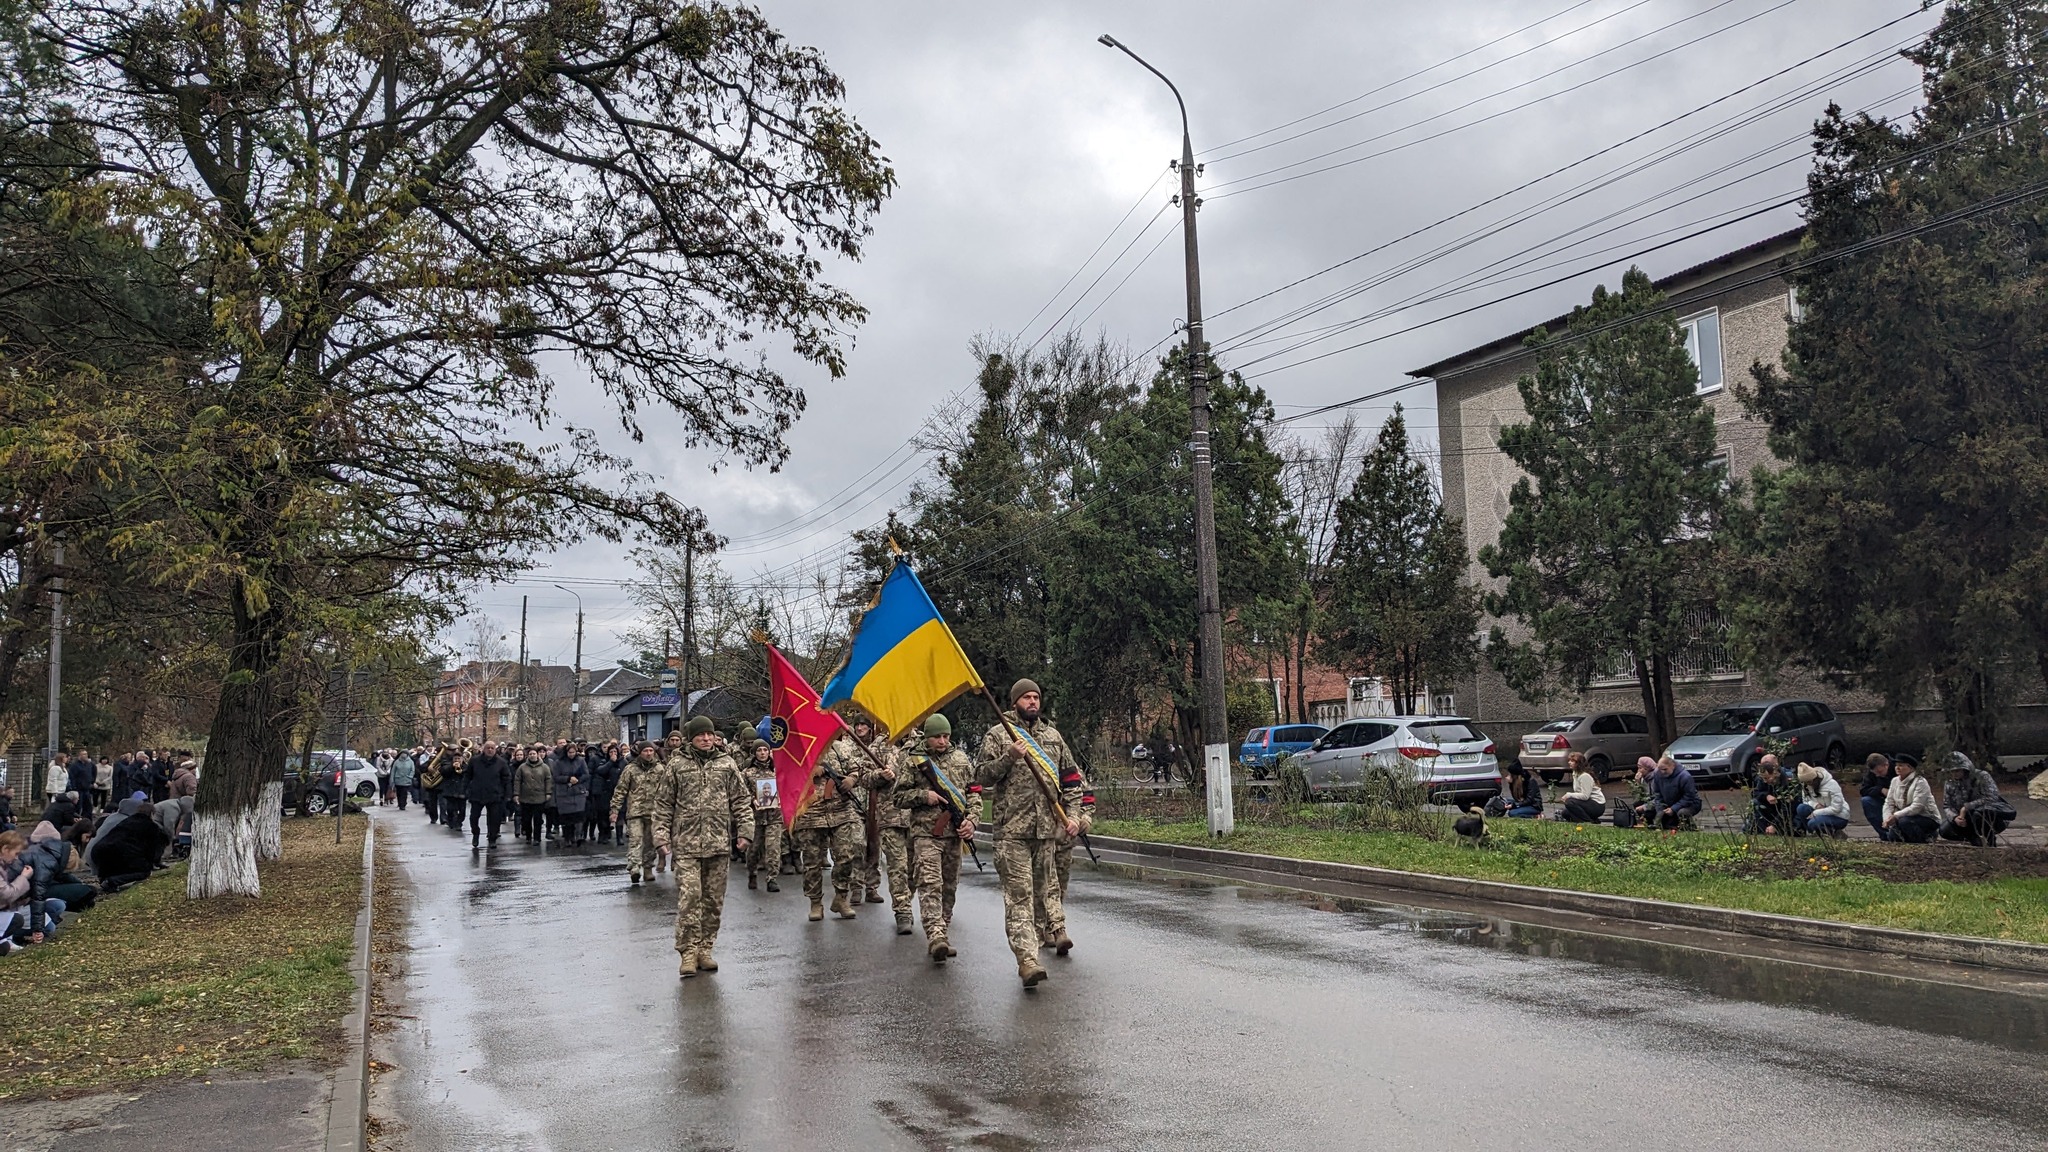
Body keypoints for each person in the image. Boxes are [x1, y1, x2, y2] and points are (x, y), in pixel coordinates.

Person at [976, 679, 1086, 987]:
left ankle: (1050, 933)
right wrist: (1009, 756)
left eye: (1036, 697)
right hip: (1012, 832)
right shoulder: (998, 735)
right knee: (1019, 896)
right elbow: (981, 777)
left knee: (1044, 892)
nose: (1033, 702)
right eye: (1027, 697)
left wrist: (1073, 816)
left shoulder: (1052, 737)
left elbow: (1072, 781)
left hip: (1046, 831)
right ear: (1015, 702)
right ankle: (1027, 960)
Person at [651, 716, 751, 979]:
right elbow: (662, 805)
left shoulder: (727, 764)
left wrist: (745, 832)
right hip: (686, 845)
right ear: (690, 738)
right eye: (700, 735)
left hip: (718, 845)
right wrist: (661, 837)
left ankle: (705, 949)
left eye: (709, 735)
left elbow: (741, 800)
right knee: (690, 897)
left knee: (713, 901)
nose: (706, 739)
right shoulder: (676, 765)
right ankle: (687, 952)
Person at [894, 712, 978, 962]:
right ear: (927, 737)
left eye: (946, 736)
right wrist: (923, 796)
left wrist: (972, 821)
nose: (942, 741)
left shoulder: (962, 759)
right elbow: (898, 797)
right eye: (937, 737)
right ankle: (935, 935)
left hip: (955, 834)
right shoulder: (913, 761)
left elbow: (973, 793)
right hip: (925, 834)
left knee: (949, 886)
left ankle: (944, 928)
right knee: (930, 884)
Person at [793, 719, 870, 923]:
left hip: (840, 812)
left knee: (847, 854)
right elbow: (787, 777)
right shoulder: (799, 749)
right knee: (812, 863)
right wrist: (810, 773)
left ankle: (841, 897)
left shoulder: (840, 748)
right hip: (811, 814)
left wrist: (851, 780)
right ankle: (815, 903)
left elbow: (857, 769)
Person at [850, 714, 913, 931]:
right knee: (897, 866)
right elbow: (865, 777)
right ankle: (903, 912)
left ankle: (911, 900)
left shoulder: (924, 742)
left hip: (920, 817)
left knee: (915, 868)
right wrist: (881, 775)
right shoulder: (880, 745)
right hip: (890, 815)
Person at [1939, 752, 2015, 847]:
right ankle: (1974, 839)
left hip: (1988, 816)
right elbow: (1947, 805)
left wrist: (1967, 807)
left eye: (1957, 771)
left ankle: (1990, 841)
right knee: (1944, 830)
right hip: (1964, 817)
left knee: (1978, 815)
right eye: (1952, 771)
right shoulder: (1950, 782)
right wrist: (1955, 817)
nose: (1954, 774)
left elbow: (1992, 797)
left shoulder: (1982, 776)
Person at [612, 741, 662, 884]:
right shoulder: (631, 769)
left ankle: (648, 869)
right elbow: (620, 790)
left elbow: (666, 791)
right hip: (635, 811)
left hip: (653, 811)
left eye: (651, 751)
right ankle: (634, 868)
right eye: (645, 751)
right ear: (640, 753)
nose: (648, 753)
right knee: (636, 840)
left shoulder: (659, 769)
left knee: (650, 842)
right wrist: (615, 809)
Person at [739, 736, 784, 893]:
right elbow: (741, 792)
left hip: (775, 816)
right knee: (754, 849)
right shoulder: (747, 773)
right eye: (759, 750)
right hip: (755, 817)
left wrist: (781, 799)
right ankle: (752, 873)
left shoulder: (777, 770)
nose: (762, 753)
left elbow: (786, 788)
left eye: (765, 749)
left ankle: (772, 878)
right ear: (754, 753)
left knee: (773, 848)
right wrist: (752, 800)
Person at [464, 740, 513, 849]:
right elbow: (467, 776)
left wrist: (507, 795)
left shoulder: (501, 762)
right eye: (488, 748)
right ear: (483, 749)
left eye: (492, 748)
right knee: (474, 818)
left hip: (495, 795)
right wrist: (465, 790)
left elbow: (507, 779)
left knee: (494, 819)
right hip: (477, 794)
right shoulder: (474, 761)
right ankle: (475, 834)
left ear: (495, 750)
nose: (490, 750)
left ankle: (492, 838)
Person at [1881, 753, 1939, 843]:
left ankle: (1925, 838)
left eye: (1901, 765)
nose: (1897, 768)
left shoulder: (1920, 782)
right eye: (1896, 766)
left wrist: (1896, 816)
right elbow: (1889, 802)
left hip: (1926, 817)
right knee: (1892, 835)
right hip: (1903, 816)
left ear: (1910, 768)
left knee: (1904, 822)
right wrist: (1887, 819)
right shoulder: (1894, 781)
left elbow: (1917, 806)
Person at [1633, 755, 1701, 830]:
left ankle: (1690, 828)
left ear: (1673, 766)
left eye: (1665, 769)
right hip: (1669, 803)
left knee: (1682, 813)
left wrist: (1674, 808)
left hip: (1690, 804)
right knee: (1661, 820)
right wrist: (1660, 808)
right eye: (1660, 769)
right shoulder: (1657, 774)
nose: (1662, 772)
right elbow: (1658, 794)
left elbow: (1688, 797)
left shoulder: (1685, 777)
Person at [1746, 755, 1800, 835]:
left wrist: (1775, 825)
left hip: (1789, 813)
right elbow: (1755, 793)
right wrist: (1766, 796)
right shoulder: (1764, 777)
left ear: (1775, 773)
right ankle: (1762, 830)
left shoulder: (1788, 781)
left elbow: (1788, 808)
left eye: (1767, 778)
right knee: (1754, 803)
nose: (1765, 781)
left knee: (1792, 829)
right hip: (1772, 809)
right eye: (1763, 779)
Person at [1795, 764, 1851, 837]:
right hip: (1820, 812)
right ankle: (1813, 834)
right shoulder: (1806, 786)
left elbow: (1837, 808)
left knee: (1812, 823)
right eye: (1804, 782)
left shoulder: (1831, 784)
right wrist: (1815, 805)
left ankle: (1835, 833)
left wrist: (1817, 812)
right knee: (1801, 808)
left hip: (1838, 816)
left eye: (1809, 782)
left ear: (1814, 779)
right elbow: (1805, 801)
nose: (1807, 785)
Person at [550, 741, 589, 847]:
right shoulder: (559, 762)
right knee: (567, 818)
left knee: (578, 816)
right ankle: (568, 837)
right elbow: (556, 777)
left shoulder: (581, 761)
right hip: (564, 792)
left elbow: (586, 774)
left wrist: (578, 780)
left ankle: (578, 836)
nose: (572, 754)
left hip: (577, 791)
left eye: (573, 752)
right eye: (570, 752)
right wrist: (567, 779)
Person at [514, 745, 553, 842]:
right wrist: (516, 794)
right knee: (526, 819)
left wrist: (548, 792)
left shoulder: (544, 767)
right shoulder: (522, 767)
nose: (532, 755)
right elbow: (517, 780)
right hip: (525, 797)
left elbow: (548, 780)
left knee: (538, 819)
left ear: (537, 755)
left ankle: (537, 838)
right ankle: (528, 836)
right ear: (527, 755)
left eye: (534, 754)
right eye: (530, 754)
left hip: (539, 797)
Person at [585, 743, 619, 846]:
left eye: (615, 752)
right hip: (600, 790)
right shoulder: (598, 759)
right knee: (601, 814)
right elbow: (597, 772)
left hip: (614, 790)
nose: (613, 753)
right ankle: (602, 833)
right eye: (610, 751)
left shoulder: (621, 761)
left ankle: (608, 832)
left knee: (611, 813)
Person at [1558, 752, 1606, 823]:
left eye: (1572, 761)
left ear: (1578, 763)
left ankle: (1587, 821)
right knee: (1565, 813)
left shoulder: (1585, 776)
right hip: (1587, 803)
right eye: (1569, 760)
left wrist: (1569, 795)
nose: (1569, 762)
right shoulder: (1575, 773)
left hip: (1597, 805)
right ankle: (1591, 820)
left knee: (1570, 802)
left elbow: (1585, 796)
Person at [1859, 754, 1894, 841]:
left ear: (1886, 765)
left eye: (1880, 772)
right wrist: (1880, 790)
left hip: (1898, 800)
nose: (1877, 775)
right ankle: (1884, 834)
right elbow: (1864, 790)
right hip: (1881, 799)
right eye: (1875, 773)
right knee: (1866, 801)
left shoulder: (1896, 769)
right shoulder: (1870, 774)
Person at [439, 743, 469, 829]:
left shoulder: (466, 766)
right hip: (450, 791)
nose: (457, 760)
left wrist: (462, 769)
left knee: (462, 811)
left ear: (462, 759)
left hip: (462, 791)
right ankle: (453, 822)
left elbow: (469, 775)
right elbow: (443, 772)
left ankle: (459, 822)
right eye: (455, 759)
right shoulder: (447, 764)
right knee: (451, 809)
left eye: (459, 759)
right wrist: (452, 767)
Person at [418, 744, 449, 823]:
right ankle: (433, 817)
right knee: (432, 803)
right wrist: (429, 767)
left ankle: (443, 818)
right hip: (432, 786)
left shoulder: (446, 761)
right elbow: (422, 768)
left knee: (443, 803)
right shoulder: (432, 759)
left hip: (442, 785)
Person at [66, 749, 97, 825]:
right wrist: (74, 788)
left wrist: (92, 782)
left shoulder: (90, 764)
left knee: (88, 807)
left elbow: (94, 773)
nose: (85, 756)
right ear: (79, 756)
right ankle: (75, 822)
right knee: (78, 806)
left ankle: (87, 822)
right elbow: (72, 777)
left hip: (87, 789)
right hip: (78, 789)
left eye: (86, 754)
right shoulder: (75, 765)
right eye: (83, 754)